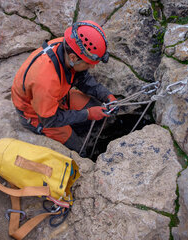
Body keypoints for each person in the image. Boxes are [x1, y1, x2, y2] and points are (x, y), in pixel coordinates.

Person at [11, 20, 116, 156]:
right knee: (79, 150)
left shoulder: (68, 46)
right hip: (37, 115)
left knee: (99, 112)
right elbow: (50, 120)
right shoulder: (45, 81)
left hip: (58, 97)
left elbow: (82, 78)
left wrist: (106, 95)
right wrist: (87, 114)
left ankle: (80, 127)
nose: (92, 67)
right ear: (73, 57)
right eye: (89, 63)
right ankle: (81, 143)